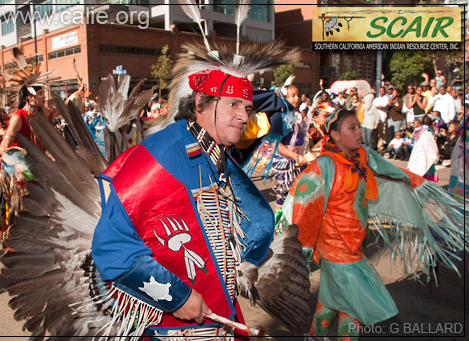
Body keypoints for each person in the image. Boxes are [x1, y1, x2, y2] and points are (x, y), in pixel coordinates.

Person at [92, 40, 299, 337]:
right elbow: (112, 247)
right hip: (176, 326)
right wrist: (176, 296)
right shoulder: (160, 159)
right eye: (233, 104)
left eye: (248, 107)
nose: (244, 115)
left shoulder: (213, 154)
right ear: (201, 103)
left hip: (218, 312)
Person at [276, 109, 467, 340]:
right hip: (339, 256)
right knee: (385, 316)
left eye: (359, 126)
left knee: (338, 304)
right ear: (335, 135)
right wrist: (300, 251)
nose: (359, 132)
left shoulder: (362, 156)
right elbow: (306, 207)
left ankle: (315, 336)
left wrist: (417, 183)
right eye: (352, 128)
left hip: (356, 247)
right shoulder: (324, 165)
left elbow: (391, 171)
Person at [0, 86, 50, 155]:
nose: (44, 97)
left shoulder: (42, 115)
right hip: (22, 162)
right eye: (40, 94)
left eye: (43, 93)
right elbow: (3, 148)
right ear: (30, 98)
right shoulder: (18, 117)